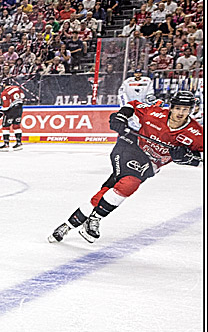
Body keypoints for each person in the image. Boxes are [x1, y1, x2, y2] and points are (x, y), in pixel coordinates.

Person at [48, 91, 202, 244]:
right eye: (178, 108)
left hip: (149, 165)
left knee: (107, 193)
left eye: (185, 109)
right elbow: (133, 105)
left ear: (191, 110)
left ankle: (67, 226)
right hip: (129, 146)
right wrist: (121, 116)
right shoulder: (155, 114)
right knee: (130, 182)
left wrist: (189, 158)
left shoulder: (196, 133)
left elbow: (200, 158)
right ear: (171, 107)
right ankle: (94, 219)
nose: (181, 113)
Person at [0, 82, 27, 151]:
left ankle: (6, 144)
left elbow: (6, 105)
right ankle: (19, 143)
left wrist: (1, 112)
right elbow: (23, 96)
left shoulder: (5, 92)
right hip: (19, 109)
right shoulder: (18, 88)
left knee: (5, 126)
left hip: (11, 110)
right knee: (16, 126)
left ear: (4, 85)